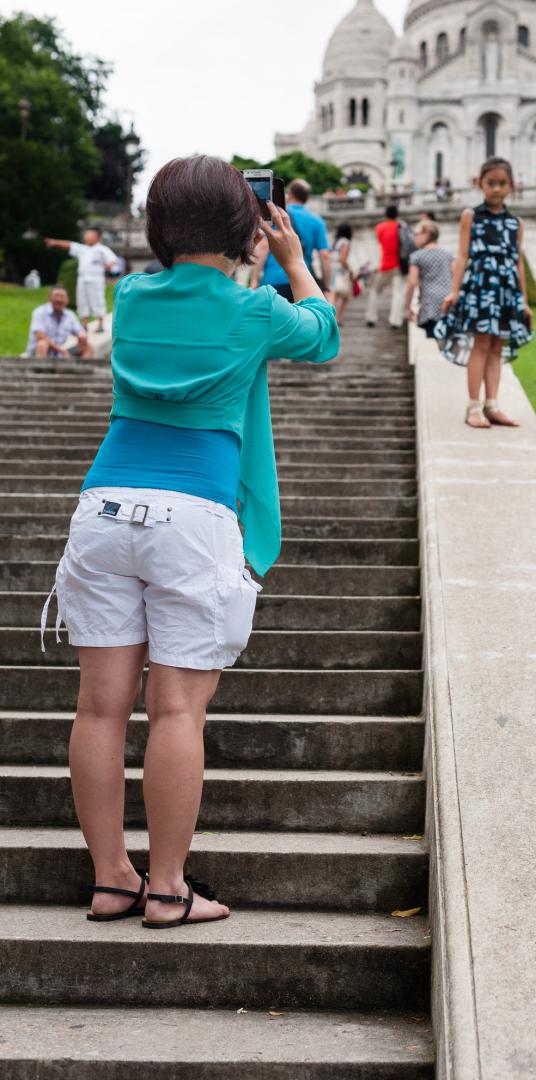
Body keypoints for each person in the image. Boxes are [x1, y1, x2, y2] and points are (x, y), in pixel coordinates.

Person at [43, 155, 339, 930]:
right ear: (245, 226)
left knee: (100, 709)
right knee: (175, 712)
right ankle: (169, 889)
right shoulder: (253, 312)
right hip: (194, 514)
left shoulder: (134, 297)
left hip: (103, 507)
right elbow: (323, 335)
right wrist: (291, 261)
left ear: (157, 227)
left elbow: (188, 299)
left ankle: (112, 879)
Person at [435, 157, 533, 429]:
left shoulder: (516, 223)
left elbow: (517, 263)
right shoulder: (471, 216)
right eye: (491, 183)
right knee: (480, 345)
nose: (497, 189)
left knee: (497, 346)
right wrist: (454, 291)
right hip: (480, 286)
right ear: (480, 184)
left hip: (505, 289)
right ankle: (473, 406)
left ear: (511, 186)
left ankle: (492, 404)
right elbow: (463, 255)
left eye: (502, 184)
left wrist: (523, 300)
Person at [252, 178, 331, 301]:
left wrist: (254, 280)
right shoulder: (317, 221)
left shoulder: (276, 217)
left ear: (290, 194)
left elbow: (263, 248)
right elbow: (324, 255)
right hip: (303, 281)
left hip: (273, 281)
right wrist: (326, 286)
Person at [45, 228, 117, 332]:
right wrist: (54, 242)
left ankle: (101, 324)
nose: (86, 237)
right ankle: (84, 324)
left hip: (95, 279)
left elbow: (113, 260)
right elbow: (69, 244)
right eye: (86, 235)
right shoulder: (82, 248)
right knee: (82, 301)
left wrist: (108, 266)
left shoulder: (102, 249)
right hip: (82, 279)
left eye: (89, 235)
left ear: (96, 237)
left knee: (97, 301)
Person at [406, 220, 453, 338]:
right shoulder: (448, 254)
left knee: (433, 338)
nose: (414, 238)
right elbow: (456, 276)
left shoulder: (417, 256)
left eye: (416, 234)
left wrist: (408, 307)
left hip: (430, 304)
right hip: (448, 302)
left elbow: (412, 282)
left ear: (426, 234)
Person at [25, 285, 92, 359]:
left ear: (67, 300)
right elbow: (40, 336)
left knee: (88, 347)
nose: (59, 299)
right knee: (42, 344)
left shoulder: (70, 315)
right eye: (56, 296)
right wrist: (61, 351)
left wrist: (82, 337)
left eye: (62, 296)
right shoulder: (39, 312)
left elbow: (80, 332)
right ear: (49, 298)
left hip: (61, 353)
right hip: (39, 352)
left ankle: (81, 369)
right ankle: (42, 370)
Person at [366, 205, 405, 329]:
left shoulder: (380, 227)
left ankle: (371, 317)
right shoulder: (401, 227)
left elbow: (379, 244)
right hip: (399, 265)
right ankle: (395, 320)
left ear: (386, 215)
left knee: (374, 291)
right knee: (398, 293)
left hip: (385, 264)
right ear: (397, 215)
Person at [328, 222, 355, 326]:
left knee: (332, 295)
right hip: (339, 271)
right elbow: (342, 259)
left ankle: (331, 319)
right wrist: (351, 270)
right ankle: (337, 319)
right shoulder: (346, 243)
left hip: (331, 269)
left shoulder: (334, 241)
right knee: (345, 296)